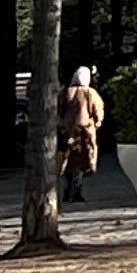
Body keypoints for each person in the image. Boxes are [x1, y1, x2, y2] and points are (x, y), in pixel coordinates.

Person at [55, 63, 104, 205]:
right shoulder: (90, 93)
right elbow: (98, 111)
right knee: (80, 164)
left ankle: (66, 192)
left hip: (67, 132)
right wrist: (97, 123)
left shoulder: (65, 92)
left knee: (67, 162)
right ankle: (77, 192)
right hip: (84, 133)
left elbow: (58, 111)